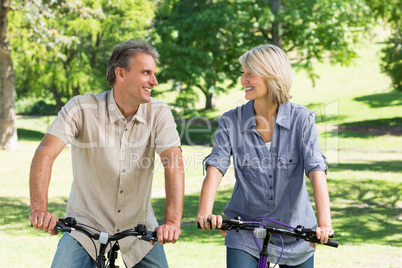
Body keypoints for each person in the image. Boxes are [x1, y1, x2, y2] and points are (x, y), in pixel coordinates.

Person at [29, 40, 184, 268]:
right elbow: (45, 153)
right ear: (121, 73)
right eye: (146, 73)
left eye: (154, 73)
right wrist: (39, 210)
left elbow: (173, 162)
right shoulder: (81, 108)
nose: (154, 81)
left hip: (138, 226)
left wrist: (172, 222)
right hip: (84, 226)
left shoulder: (159, 113)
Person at [197, 44, 333, 268]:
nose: (243, 80)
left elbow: (316, 170)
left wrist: (324, 225)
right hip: (245, 230)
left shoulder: (302, 119)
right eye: (243, 73)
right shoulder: (231, 121)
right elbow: (216, 167)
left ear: (272, 75)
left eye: (250, 73)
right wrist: (205, 212)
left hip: (296, 230)